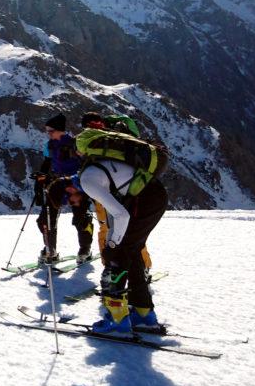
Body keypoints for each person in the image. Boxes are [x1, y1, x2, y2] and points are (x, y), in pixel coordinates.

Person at [75, 117, 168, 335]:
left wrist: (112, 244)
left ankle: (117, 320)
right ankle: (144, 314)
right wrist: (113, 241)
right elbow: (115, 213)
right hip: (153, 197)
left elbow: (120, 214)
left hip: (144, 202)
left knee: (118, 257)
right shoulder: (103, 166)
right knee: (131, 253)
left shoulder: (88, 179)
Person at [80, 112, 153, 277]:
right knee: (130, 231)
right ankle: (139, 267)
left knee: (110, 228)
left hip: (107, 189)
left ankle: (112, 268)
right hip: (128, 187)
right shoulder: (117, 137)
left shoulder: (94, 141)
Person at [35, 114, 89, 264]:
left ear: (60, 130)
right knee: (45, 219)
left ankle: (85, 249)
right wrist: (41, 176)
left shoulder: (75, 144)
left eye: (51, 131)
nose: (48, 133)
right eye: (47, 131)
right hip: (57, 185)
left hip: (76, 186)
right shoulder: (50, 145)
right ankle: (50, 249)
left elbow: (85, 163)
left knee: (80, 219)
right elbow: (47, 163)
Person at [43, 175, 94, 265]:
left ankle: (85, 250)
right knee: (79, 221)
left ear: (70, 189)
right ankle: (51, 250)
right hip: (66, 184)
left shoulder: (90, 184)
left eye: (70, 202)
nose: (71, 204)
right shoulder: (73, 187)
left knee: (83, 221)